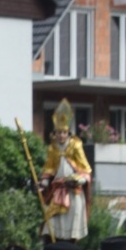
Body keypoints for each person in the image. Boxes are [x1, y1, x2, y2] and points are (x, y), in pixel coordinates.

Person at [38, 100, 93, 241]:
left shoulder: (75, 145)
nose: (61, 135)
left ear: (68, 132)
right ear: (55, 133)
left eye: (64, 132)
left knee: (71, 226)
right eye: (58, 132)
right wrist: (43, 183)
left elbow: (85, 169)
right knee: (51, 223)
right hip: (57, 190)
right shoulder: (52, 148)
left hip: (73, 192)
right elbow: (49, 167)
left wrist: (78, 180)